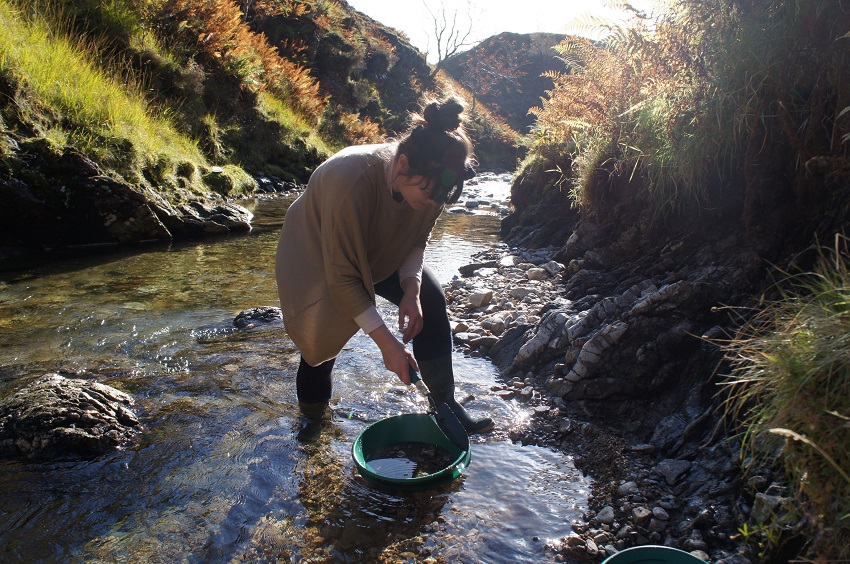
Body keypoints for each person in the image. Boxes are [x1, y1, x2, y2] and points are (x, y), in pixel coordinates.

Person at [275, 96, 494, 434]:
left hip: (382, 246)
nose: (433, 204)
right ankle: (313, 424)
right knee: (320, 344)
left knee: (431, 301)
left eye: (441, 197)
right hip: (318, 252)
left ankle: (444, 406)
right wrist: (388, 345)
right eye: (430, 194)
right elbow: (344, 277)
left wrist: (411, 288)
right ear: (403, 164)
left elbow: (416, 239)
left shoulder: (435, 182)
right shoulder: (348, 178)